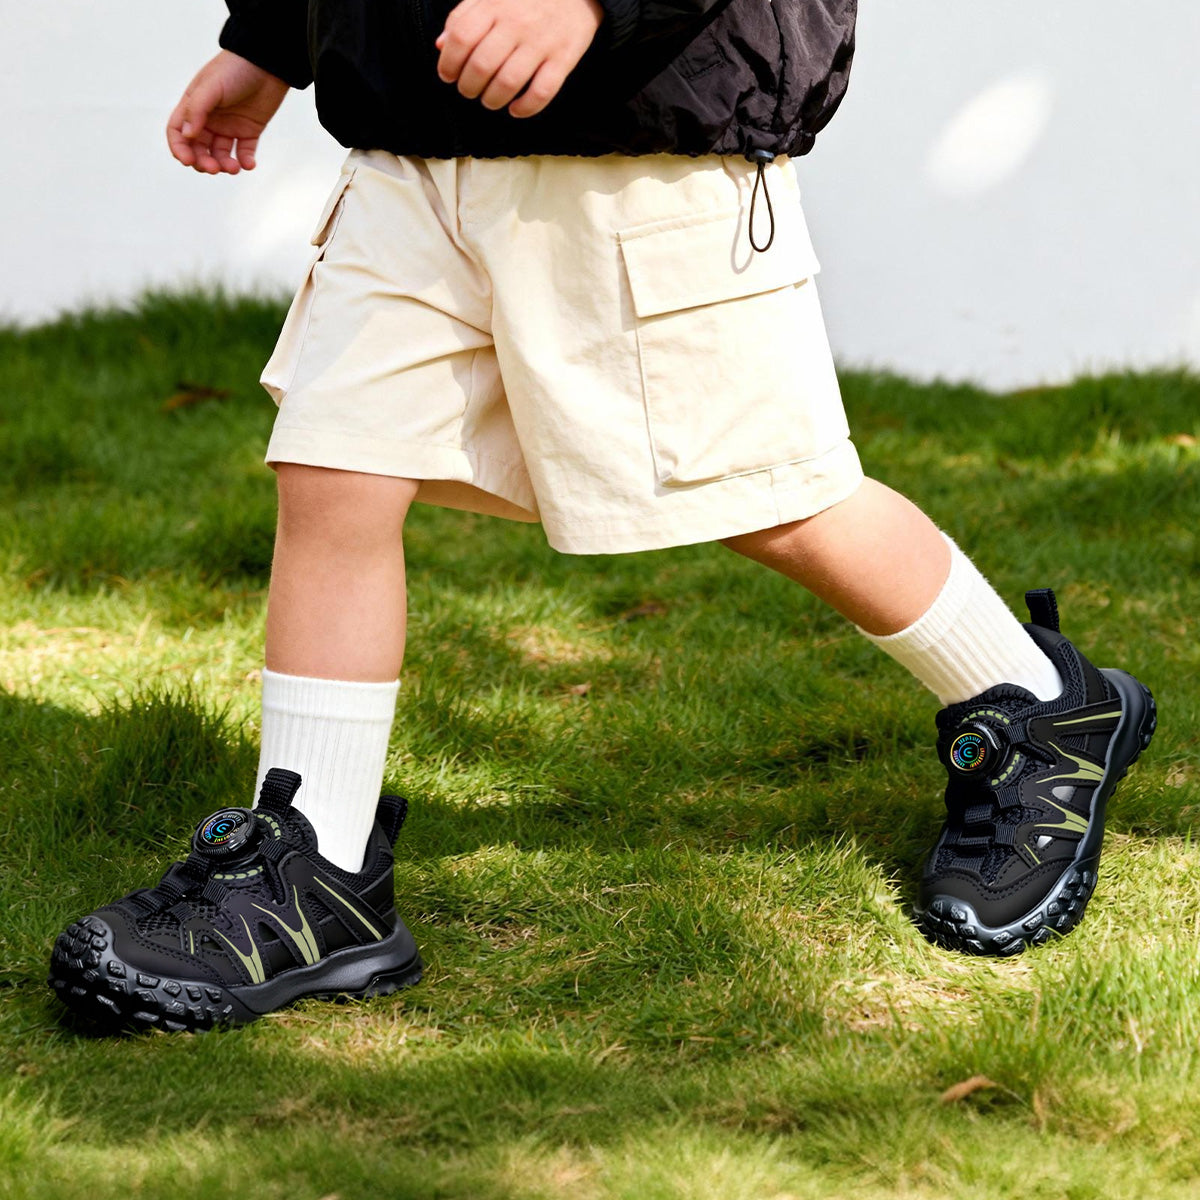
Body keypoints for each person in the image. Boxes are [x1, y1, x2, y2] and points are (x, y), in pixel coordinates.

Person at [48, 0, 1156, 1032]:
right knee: (336, 470)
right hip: (403, 146)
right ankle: (316, 867)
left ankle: (1040, 706)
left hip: (641, 142)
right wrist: (272, 35)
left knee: (773, 497)